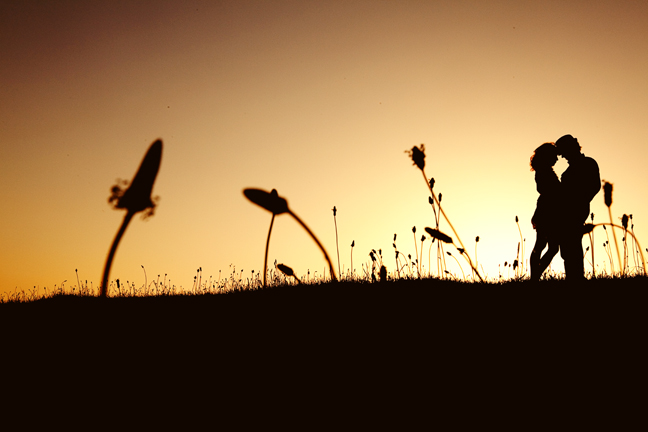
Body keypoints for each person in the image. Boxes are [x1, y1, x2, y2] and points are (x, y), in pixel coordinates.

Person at [555, 134, 600, 280]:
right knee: (568, 246)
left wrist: (581, 200)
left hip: (577, 209)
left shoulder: (588, 163)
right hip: (567, 211)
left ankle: (576, 278)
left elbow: (595, 186)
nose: (563, 156)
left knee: (572, 243)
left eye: (563, 152)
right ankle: (573, 278)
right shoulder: (567, 173)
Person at [529, 143, 562, 281]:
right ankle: (535, 277)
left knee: (546, 246)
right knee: (545, 246)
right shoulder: (544, 172)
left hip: (547, 209)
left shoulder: (543, 171)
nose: (557, 159)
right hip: (548, 211)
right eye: (554, 156)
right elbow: (549, 191)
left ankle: (535, 276)